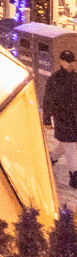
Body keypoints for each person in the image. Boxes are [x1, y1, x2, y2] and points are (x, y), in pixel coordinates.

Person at [44, 49, 77, 188]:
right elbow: (48, 100)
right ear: (61, 62)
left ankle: (51, 158)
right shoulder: (54, 79)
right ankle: (74, 175)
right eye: (68, 62)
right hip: (62, 118)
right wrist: (46, 119)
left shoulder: (76, 78)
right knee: (70, 145)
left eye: (72, 62)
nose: (71, 64)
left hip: (75, 118)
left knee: (67, 144)